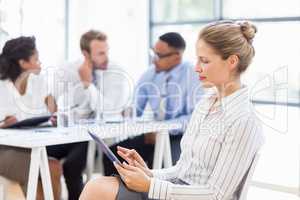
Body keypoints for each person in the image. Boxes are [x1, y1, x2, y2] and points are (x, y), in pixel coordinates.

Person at [79, 20, 265, 200]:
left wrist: (150, 185)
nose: (197, 68)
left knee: (98, 189)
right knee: (97, 186)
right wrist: (148, 174)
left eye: (205, 61)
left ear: (232, 61)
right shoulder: (205, 105)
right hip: (178, 190)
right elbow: (182, 170)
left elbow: (216, 194)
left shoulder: (244, 121)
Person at [103, 32, 202, 176]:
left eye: (159, 56)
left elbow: (194, 118)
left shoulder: (193, 75)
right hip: (153, 134)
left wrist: (163, 129)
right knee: (113, 155)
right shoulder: (151, 73)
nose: (154, 60)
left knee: (167, 164)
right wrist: (127, 111)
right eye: (153, 53)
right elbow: (136, 106)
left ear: (176, 57)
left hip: (181, 136)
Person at [47, 30, 130, 200]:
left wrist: (88, 84)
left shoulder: (116, 71)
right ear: (86, 53)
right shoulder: (69, 69)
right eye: (100, 53)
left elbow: (109, 110)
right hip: (69, 134)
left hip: (99, 138)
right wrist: (53, 115)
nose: (106, 57)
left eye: (107, 51)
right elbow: (51, 97)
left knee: (72, 165)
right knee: (41, 154)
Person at [0, 36, 62, 200]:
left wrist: (54, 116)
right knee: (49, 167)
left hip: (32, 147)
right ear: (23, 63)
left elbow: (53, 110)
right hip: (4, 150)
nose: (40, 62)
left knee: (52, 166)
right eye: (36, 58)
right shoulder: (2, 85)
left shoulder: (38, 82)